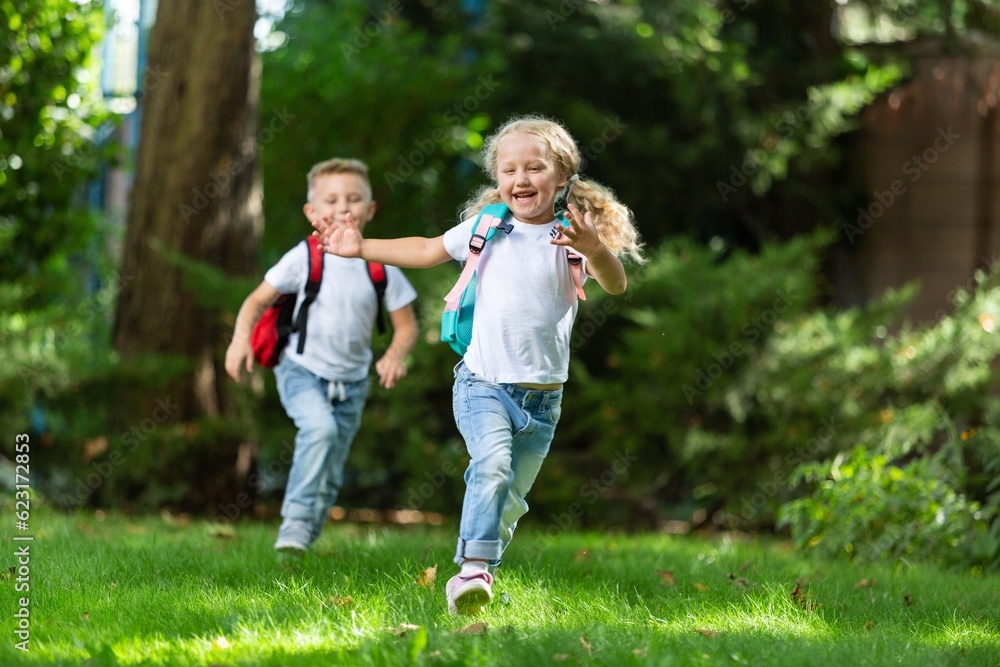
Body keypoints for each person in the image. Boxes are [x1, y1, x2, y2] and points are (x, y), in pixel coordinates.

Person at [312, 115, 643, 614]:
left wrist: (593, 246)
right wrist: (361, 248)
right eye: (508, 170)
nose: (521, 179)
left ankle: (481, 567)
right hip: (483, 383)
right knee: (490, 466)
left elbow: (616, 284)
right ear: (497, 179)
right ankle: (470, 573)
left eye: (535, 168)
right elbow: (425, 250)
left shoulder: (570, 237)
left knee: (509, 501)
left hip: (544, 400)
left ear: (561, 177)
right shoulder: (489, 228)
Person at [225, 157, 419, 554]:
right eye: (331, 199)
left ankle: (303, 542)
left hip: (353, 382)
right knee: (319, 431)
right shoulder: (304, 257)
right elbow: (257, 300)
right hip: (300, 370)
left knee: (331, 472)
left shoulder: (382, 266)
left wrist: (396, 355)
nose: (342, 206)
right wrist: (240, 338)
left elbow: (407, 327)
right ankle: (294, 526)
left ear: (370, 210)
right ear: (312, 211)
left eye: (353, 198)